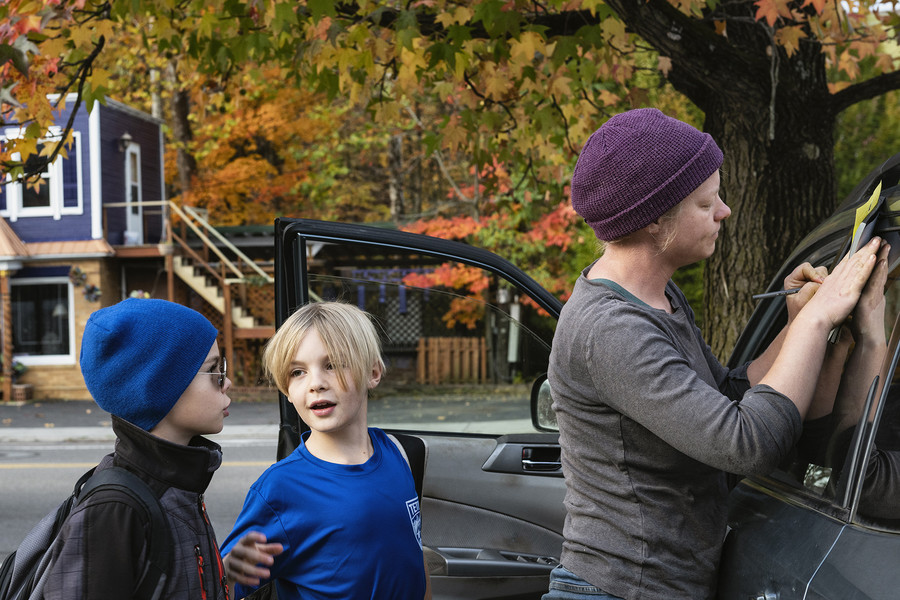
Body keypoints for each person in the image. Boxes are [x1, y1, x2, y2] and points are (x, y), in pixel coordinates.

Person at [545, 107, 884, 600]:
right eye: (706, 204)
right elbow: (744, 444)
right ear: (655, 220)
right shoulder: (611, 329)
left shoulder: (657, 299)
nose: (724, 211)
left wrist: (793, 324)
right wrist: (817, 320)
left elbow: (726, 396)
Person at [220, 301, 431, 600]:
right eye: (297, 372)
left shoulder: (399, 453)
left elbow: (415, 556)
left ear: (373, 372)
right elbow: (220, 586)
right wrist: (226, 571)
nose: (315, 383)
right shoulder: (279, 488)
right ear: (287, 391)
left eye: (332, 365)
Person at [43, 297, 233, 599]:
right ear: (159, 386)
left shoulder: (179, 481)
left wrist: (226, 572)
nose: (227, 381)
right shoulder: (115, 511)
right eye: (215, 370)